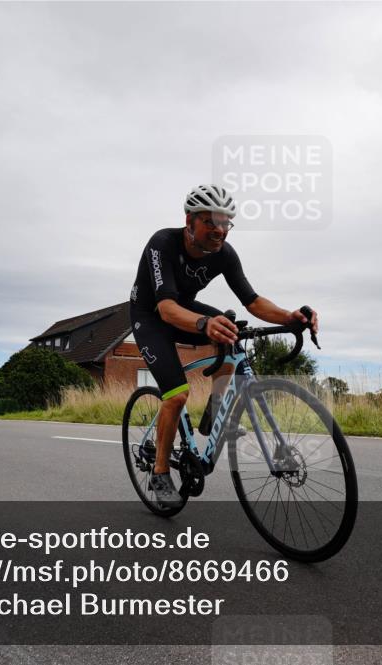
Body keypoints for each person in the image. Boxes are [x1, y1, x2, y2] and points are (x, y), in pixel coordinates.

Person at [129, 184, 318, 507]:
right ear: (189, 220)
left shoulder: (225, 255)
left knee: (232, 335)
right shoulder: (162, 243)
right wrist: (204, 324)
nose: (219, 230)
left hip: (184, 310)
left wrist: (289, 316)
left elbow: (253, 301)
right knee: (176, 394)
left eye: (226, 222)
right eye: (210, 222)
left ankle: (214, 413)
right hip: (151, 316)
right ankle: (160, 472)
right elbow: (166, 309)